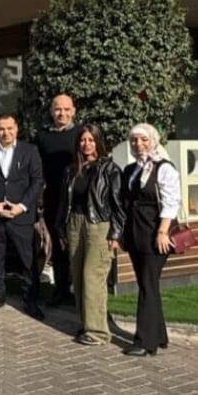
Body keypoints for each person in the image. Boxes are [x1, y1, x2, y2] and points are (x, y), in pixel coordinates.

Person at [55, 123, 125, 346]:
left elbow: (118, 204)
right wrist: (61, 229)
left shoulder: (109, 169)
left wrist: (116, 233)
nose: (86, 144)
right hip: (74, 224)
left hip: (98, 225)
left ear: (98, 142)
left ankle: (98, 332)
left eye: (91, 140)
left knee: (92, 277)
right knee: (77, 277)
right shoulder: (71, 170)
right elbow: (63, 202)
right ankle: (87, 323)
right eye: (83, 140)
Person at [0, 113, 45, 319]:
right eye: (1, 129)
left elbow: (37, 181)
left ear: (16, 129)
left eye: (10, 128)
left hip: (20, 216)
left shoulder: (29, 151)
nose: (6, 133)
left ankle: (30, 300)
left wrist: (21, 206)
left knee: (27, 260)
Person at [119, 123, 180, 356]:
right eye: (134, 140)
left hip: (155, 233)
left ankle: (145, 342)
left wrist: (163, 232)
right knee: (148, 284)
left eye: (144, 139)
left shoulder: (164, 168)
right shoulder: (131, 169)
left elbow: (171, 201)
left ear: (153, 141)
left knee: (147, 284)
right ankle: (159, 335)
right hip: (136, 233)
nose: (139, 144)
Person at [35, 94, 82, 306]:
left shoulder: (81, 134)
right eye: (57, 109)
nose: (62, 113)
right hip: (54, 198)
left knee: (77, 244)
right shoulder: (42, 137)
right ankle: (61, 289)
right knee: (58, 244)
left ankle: (79, 289)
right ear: (51, 111)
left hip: (77, 198)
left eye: (66, 109)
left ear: (73, 111)